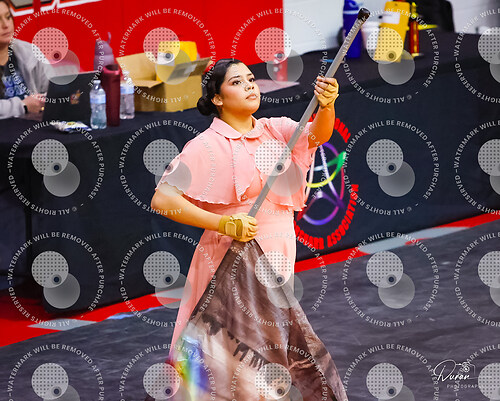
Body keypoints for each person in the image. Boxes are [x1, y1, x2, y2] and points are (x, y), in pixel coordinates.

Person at [150, 58, 346, 400]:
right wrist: (224, 222)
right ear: (217, 98)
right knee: (231, 351)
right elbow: (163, 199)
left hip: (277, 254)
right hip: (231, 256)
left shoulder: (276, 129)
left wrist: (327, 106)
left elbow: (317, 134)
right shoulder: (204, 146)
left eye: (251, 79)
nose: (250, 86)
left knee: (269, 346)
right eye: (237, 82)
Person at [0, 0, 50, 119]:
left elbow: (52, 89)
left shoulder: (29, 52)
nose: (6, 25)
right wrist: (23, 106)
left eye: (8, 17)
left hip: (32, 125)